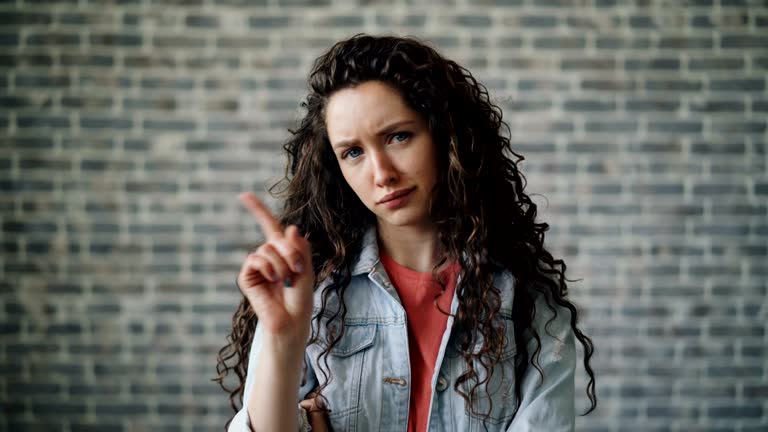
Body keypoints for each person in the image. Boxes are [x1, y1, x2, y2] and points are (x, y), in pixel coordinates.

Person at [214, 33, 597, 432]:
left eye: (399, 136)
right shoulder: (309, 291)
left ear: (447, 138)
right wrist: (282, 339)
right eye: (353, 152)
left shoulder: (526, 298)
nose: (382, 174)